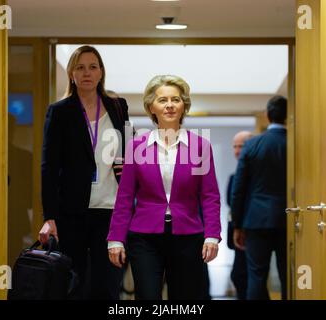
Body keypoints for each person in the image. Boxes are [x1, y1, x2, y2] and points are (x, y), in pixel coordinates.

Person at [107, 75, 221, 300]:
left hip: (188, 237)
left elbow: (209, 196)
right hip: (144, 238)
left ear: (184, 105)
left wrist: (212, 235)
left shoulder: (200, 147)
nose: (169, 105)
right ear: (152, 107)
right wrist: (116, 238)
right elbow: (125, 197)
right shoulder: (136, 147)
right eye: (162, 100)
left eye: (175, 99)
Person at [38, 45, 130, 300]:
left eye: (93, 67)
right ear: (71, 74)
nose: (87, 72)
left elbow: (129, 152)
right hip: (72, 210)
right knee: (74, 283)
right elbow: (49, 166)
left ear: (101, 73)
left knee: (108, 284)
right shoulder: (59, 111)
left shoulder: (118, 107)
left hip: (111, 209)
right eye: (80, 67)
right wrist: (50, 216)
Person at [231, 95, 287, 300]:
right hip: (289, 218)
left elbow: (239, 188)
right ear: (287, 116)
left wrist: (237, 224)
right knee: (289, 275)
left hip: (256, 220)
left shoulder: (252, 145)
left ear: (267, 115)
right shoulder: (296, 144)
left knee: (256, 275)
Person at [226, 130, 253, 300]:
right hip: (238, 232)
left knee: (243, 276)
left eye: (241, 146)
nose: (237, 151)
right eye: (234, 146)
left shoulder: (255, 175)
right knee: (239, 276)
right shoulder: (234, 176)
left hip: (250, 231)